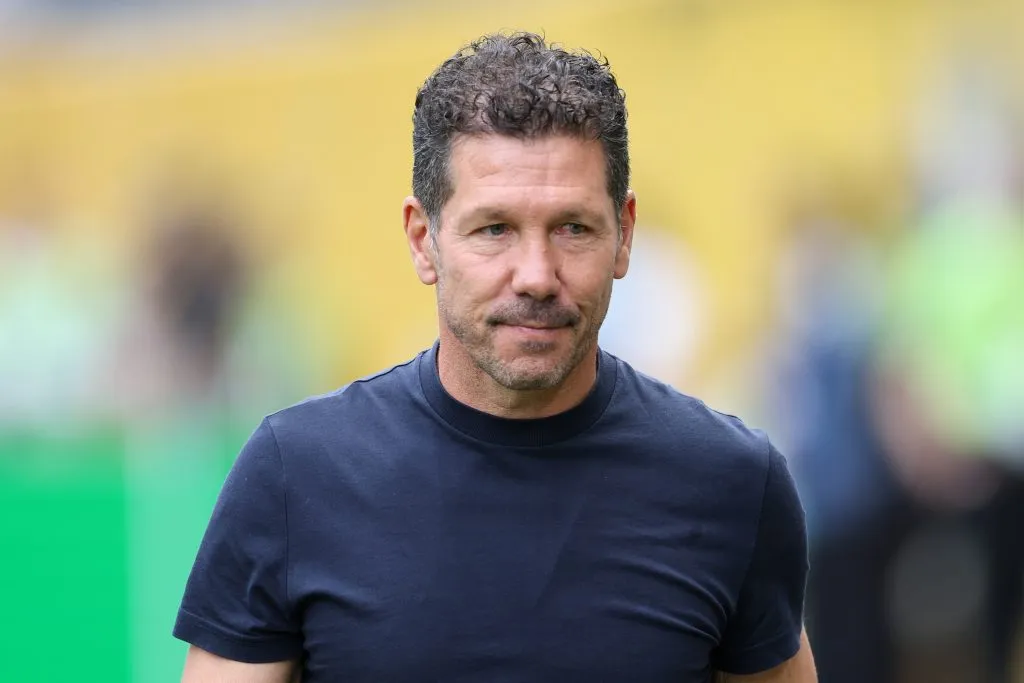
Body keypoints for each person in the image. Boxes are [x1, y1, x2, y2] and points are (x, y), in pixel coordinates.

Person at [173, 32, 816, 682]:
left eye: (573, 227)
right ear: (424, 241)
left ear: (624, 236)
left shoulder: (732, 484)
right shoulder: (296, 475)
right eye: (494, 229)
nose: (536, 274)